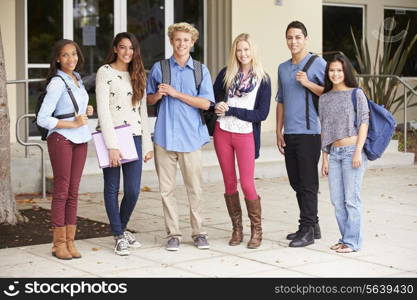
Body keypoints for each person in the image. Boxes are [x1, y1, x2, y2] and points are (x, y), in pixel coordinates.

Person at [146, 22, 215, 251]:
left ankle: (199, 232)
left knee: (194, 188)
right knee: (166, 190)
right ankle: (173, 233)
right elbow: (148, 100)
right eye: (178, 39)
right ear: (171, 41)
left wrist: (176, 93)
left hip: (191, 138)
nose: (182, 44)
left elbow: (206, 103)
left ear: (192, 43)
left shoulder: (200, 70)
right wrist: (157, 95)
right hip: (165, 137)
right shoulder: (160, 68)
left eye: (186, 40)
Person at [96, 32, 153, 256]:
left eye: (131, 48)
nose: (127, 52)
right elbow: (103, 111)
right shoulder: (105, 72)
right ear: (115, 49)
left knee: (132, 190)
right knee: (112, 188)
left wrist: (147, 145)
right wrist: (112, 145)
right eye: (122, 47)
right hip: (113, 137)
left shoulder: (138, 74)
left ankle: (120, 227)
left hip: (135, 136)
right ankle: (119, 235)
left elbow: (143, 112)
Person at [213, 33, 271, 249]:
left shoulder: (263, 79)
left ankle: (257, 230)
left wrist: (233, 110)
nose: (243, 54)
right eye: (239, 50)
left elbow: (261, 114)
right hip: (223, 132)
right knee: (229, 183)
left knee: (247, 183)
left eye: (246, 49)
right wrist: (218, 106)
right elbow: (214, 101)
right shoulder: (226, 74)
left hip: (246, 134)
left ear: (252, 51)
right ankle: (237, 228)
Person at [37, 39, 93, 260]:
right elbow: (42, 118)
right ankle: (58, 243)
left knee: (73, 192)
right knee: (62, 191)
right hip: (61, 138)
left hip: (80, 138)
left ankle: (70, 241)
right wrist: (72, 124)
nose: (71, 59)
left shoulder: (77, 79)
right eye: (66, 55)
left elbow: (73, 109)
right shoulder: (57, 83)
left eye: (74, 54)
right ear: (58, 58)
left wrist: (86, 109)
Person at [275, 21, 327, 247]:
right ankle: (312, 225)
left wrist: (307, 83)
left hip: (310, 132)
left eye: (298, 37)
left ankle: (306, 229)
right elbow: (281, 101)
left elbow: (332, 92)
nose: (293, 41)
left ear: (306, 39)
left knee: (307, 183)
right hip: (291, 133)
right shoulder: (282, 68)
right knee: (296, 182)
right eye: (289, 37)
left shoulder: (317, 63)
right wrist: (278, 131)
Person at [320, 54, 369, 253]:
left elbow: (364, 122)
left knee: (351, 199)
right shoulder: (324, 98)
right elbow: (324, 128)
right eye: (332, 70)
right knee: (337, 201)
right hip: (334, 153)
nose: (335, 74)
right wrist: (324, 158)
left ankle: (352, 242)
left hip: (352, 152)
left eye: (339, 70)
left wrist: (358, 151)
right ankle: (345, 238)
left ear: (346, 72)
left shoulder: (356, 94)